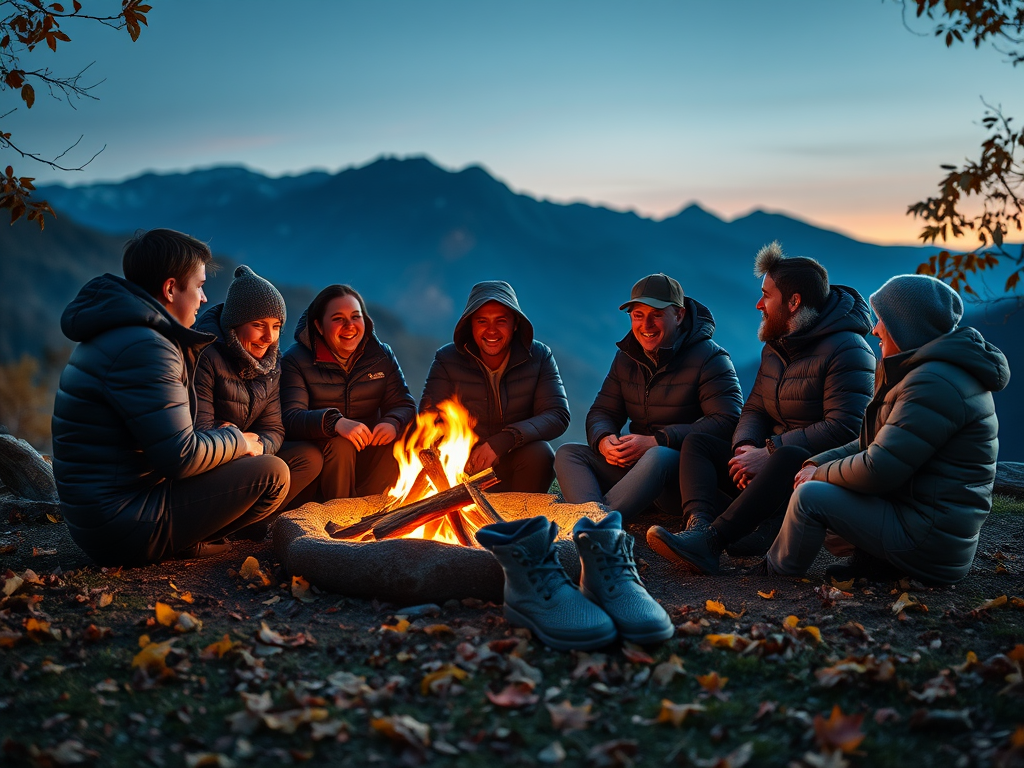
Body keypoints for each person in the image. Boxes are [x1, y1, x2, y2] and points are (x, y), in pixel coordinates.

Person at [51, 229, 289, 565]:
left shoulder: (123, 333)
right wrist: (240, 440)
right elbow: (181, 456)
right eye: (200, 286)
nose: (204, 299)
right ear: (170, 289)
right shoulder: (147, 347)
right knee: (272, 473)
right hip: (123, 523)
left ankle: (186, 539)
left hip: (105, 515)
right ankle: (183, 543)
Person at [759, 274, 1009, 585]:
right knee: (822, 479)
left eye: (882, 319)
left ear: (906, 327)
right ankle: (875, 563)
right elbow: (872, 443)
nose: (874, 329)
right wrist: (816, 462)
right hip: (922, 524)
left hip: (928, 542)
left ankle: (776, 575)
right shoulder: (924, 373)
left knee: (812, 496)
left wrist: (818, 476)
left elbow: (879, 467)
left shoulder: (934, 384)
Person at [647, 241, 876, 572]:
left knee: (786, 456)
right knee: (698, 442)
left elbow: (846, 427)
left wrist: (769, 452)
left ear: (794, 302)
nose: (759, 304)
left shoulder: (849, 350)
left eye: (767, 296)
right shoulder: (777, 345)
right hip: (770, 461)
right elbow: (754, 407)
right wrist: (744, 448)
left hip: (809, 468)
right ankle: (699, 528)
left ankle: (713, 543)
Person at [554, 273, 743, 519]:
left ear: (679, 315)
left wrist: (658, 440)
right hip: (636, 468)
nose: (646, 325)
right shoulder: (627, 357)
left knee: (659, 456)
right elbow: (603, 411)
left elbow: (727, 420)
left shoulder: (711, 359)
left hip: (682, 477)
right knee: (569, 453)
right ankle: (595, 517)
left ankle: (598, 524)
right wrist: (604, 440)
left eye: (656, 315)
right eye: (638, 315)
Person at [194, 265, 321, 530]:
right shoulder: (206, 356)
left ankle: (250, 522)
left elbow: (274, 427)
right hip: (214, 459)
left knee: (308, 458)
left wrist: (260, 446)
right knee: (273, 469)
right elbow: (200, 429)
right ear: (234, 323)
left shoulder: (271, 364)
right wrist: (238, 443)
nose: (269, 337)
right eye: (258, 325)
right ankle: (218, 525)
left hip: (251, 452)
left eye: (276, 327)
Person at [420, 280, 570, 492]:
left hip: (515, 460)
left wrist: (504, 441)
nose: (491, 331)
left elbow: (557, 414)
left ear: (515, 323)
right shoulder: (447, 359)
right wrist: (465, 452)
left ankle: (523, 520)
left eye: (501, 321)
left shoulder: (538, 357)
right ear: (470, 324)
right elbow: (428, 418)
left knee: (540, 453)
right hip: (464, 467)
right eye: (482, 321)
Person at [281, 284, 416, 500]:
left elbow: (404, 404)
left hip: (368, 454)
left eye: (355, 317)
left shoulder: (381, 355)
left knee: (406, 433)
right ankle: (337, 516)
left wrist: (392, 422)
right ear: (319, 326)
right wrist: (333, 423)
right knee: (341, 444)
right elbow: (290, 418)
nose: (350, 326)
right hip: (325, 463)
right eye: (338, 319)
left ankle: (378, 512)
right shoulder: (296, 361)